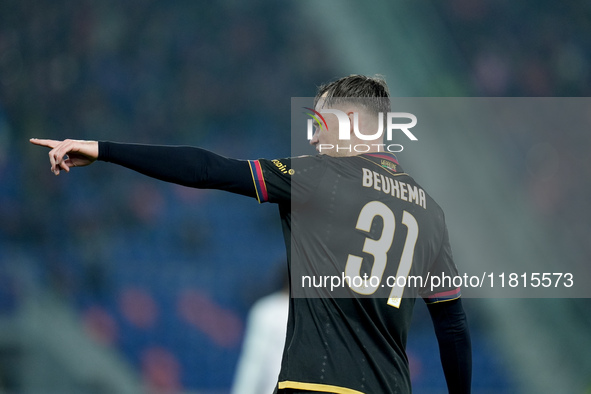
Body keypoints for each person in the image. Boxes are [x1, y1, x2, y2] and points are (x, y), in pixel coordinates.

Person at [31, 75, 471, 394]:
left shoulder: (319, 175)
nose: (314, 139)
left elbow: (208, 169)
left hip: (316, 384)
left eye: (321, 124)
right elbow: (451, 323)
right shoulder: (428, 209)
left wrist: (105, 150)